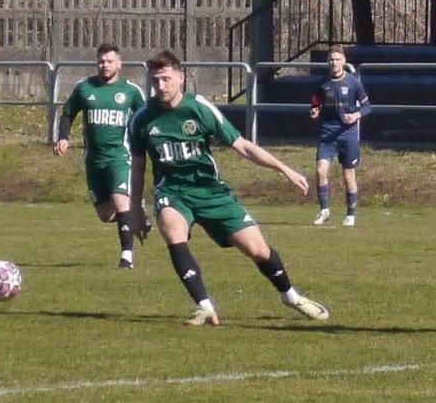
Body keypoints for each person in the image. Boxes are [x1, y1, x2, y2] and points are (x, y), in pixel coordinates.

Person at [128, 49, 329, 327]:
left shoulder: (199, 109)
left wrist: (284, 169)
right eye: (155, 81)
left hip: (211, 192)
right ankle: (205, 306)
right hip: (172, 191)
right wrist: (135, 208)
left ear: (181, 78)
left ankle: (291, 296)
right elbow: (137, 167)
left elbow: (243, 146)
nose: (160, 86)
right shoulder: (142, 118)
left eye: (165, 79)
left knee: (258, 250)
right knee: (174, 232)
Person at [53, 42, 149, 268]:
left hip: (119, 157)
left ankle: (127, 258)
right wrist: (63, 137)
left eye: (109, 61)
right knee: (106, 215)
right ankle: (136, 215)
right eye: (101, 61)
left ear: (119, 64)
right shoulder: (84, 88)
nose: (104, 65)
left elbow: (146, 117)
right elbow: (67, 113)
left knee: (120, 200)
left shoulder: (130, 91)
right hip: (93, 160)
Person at [308, 45, 369, 226]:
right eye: (331, 60)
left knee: (348, 176)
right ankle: (324, 210)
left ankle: (350, 214)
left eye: (337, 59)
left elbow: (367, 106)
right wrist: (314, 113)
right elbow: (314, 105)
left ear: (343, 61)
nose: (334, 63)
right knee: (320, 171)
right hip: (327, 133)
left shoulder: (353, 82)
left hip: (347, 134)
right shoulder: (321, 83)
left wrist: (356, 115)